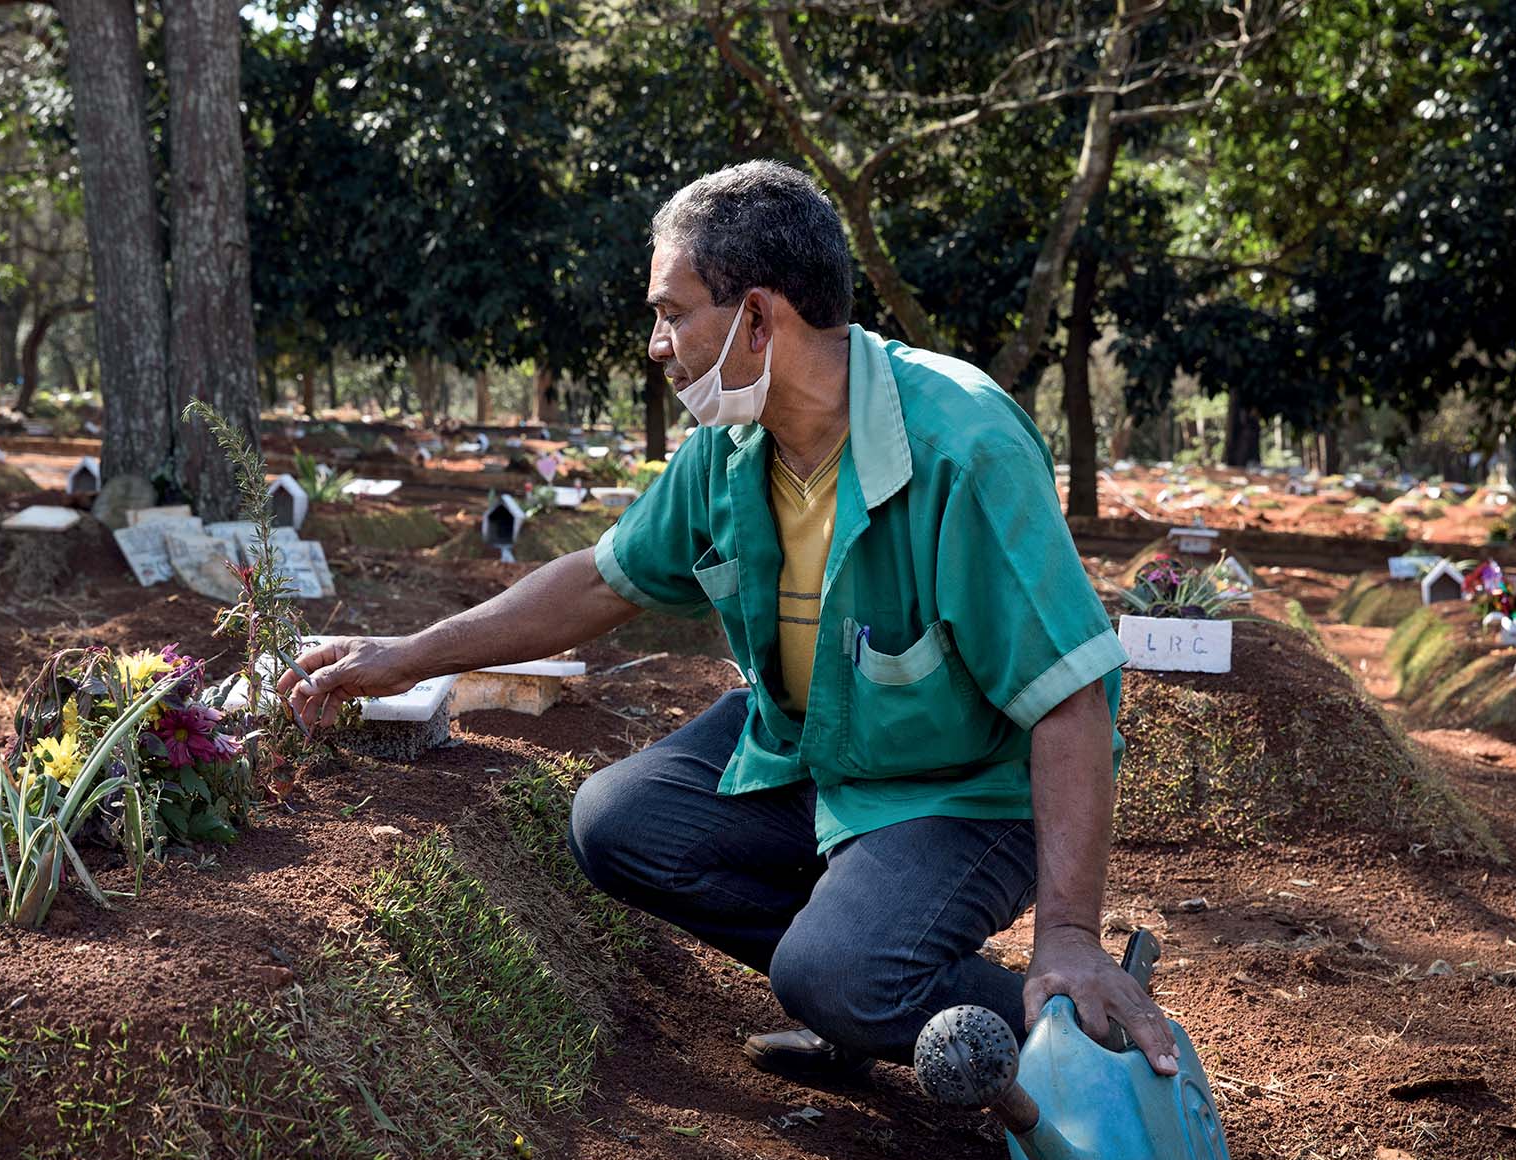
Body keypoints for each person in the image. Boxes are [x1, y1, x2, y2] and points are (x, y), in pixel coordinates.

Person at [275, 160, 1180, 1083]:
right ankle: (860, 982)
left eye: (672, 313)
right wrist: (411, 656)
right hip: (811, 750)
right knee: (619, 824)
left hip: (962, 790)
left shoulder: (962, 447)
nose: (658, 346)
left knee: (837, 975)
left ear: (756, 318)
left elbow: (1071, 700)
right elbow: (602, 581)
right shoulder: (731, 445)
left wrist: (1068, 933)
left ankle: (1080, 1031)